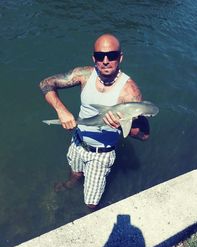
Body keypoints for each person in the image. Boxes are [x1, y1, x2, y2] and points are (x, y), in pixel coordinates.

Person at [39, 33, 150, 209]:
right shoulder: (83, 74)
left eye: (111, 55)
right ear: (94, 58)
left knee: (90, 203)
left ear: (120, 58)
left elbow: (144, 136)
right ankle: (72, 182)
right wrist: (62, 110)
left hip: (101, 154)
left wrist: (121, 124)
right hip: (78, 139)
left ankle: (88, 216)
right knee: (75, 172)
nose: (105, 60)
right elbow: (45, 83)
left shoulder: (130, 92)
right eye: (100, 56)